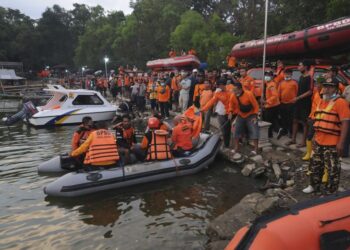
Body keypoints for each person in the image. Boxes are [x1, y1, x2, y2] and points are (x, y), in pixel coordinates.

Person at [303, 79, 350, 194]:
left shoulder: (340, 102)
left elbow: (345, 122)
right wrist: (314, 137)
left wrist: (341, 143)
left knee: (333, 168)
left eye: (330, 87)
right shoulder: (321, 101)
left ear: (336, 89)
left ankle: (331, 191)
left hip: (332, 143)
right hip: (319, 141)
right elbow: (318, 120)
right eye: (325, 86)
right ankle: (314, 186)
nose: (327, 89)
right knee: (315, 165)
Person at [287, 61, 313, 147]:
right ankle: (293, 139)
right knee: (295, 120)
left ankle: (303, 142)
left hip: (305, 103)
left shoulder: (310, 77)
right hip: (298, 102)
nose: (298, 67)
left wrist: (298, 98)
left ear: (305, 67)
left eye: (300, 65)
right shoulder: (301, 77)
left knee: (304, 122)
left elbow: (310, 91)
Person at [229, 81, 260, 154]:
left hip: (251, 115)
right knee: (236, 131)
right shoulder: (233, 95)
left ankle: (256, 149)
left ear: (240, 89)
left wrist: (255, 116)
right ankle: (237, 147)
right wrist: (230, 112)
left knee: (254, 130)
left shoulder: (249, 94)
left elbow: (256, 105)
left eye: (235, 90)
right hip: (240, 115)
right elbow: (231, 105)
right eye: (233, 90)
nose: (234, 91)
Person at [201, 79, 232, 148]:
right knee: (223, 128)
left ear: (223, 85)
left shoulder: (230, 91)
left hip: (230, 113)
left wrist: (230, 112)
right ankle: (226, 144)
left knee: (228, 129)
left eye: (219, 85)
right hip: (221, 112)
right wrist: (203, 109)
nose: (218, 87)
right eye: (218, 86)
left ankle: (227, 143)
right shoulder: (218, 92)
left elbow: (231, 103)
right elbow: (212, 101)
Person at [302, 76, 324, 161]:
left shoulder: (325, 95)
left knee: (318, 139)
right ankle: (309, 153)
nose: (316, 85)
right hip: (313, 118)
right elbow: (313, 106)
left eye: (318, 83)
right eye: (316, 83)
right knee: (309, 136)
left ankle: (315, 155)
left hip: (321, 120)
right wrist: (310, 116)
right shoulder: (316, 93)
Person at [277, 69, 299, 139]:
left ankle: (291, 132)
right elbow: (278, 93)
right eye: (286, 74)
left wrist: (295, 101)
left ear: (291, 75)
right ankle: (284, 131)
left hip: (291, 104)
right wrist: (279, 102)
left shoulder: (294, 83)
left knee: (291, 119)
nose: (287, 75)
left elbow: (297, 93)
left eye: (289, 74)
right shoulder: (281, 83)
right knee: (283, 118)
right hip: (283, 103)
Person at [262, 71, 280, 138]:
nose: (266, 76)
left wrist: (266, 101)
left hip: (272, 105)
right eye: (266, 75)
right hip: (271, 105)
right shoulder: (267, 83)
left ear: (272, 77)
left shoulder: (272, 85)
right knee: (273, 120)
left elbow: (275, 96)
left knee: (268, 121)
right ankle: (272, 133)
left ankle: (270, 134)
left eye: (268, 75)